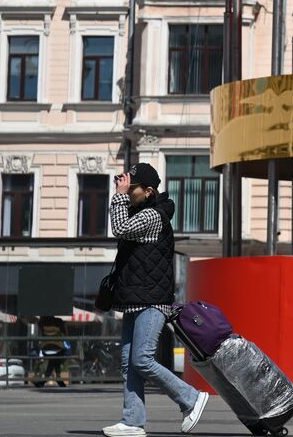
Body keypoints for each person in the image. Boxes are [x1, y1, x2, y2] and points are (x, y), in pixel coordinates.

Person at [103, 164, 209, 437]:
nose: (127, 191)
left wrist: (119, 196)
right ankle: (133, 421)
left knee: (142, 359)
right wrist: (125, 197)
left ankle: (191, 398)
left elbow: (119, 228)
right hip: (133, 298)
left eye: (132, 188)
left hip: (152, 300)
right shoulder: (141, 210)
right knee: (129, 363)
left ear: (148, 192)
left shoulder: (153, 215)